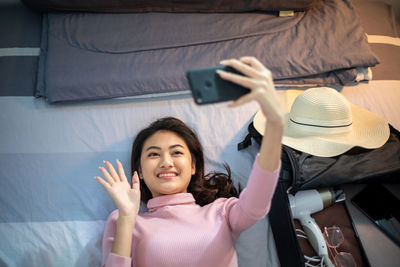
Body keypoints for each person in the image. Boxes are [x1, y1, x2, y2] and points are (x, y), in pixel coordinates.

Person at [95, 56, 284, 267]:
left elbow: (257, 204)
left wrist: (275, 125)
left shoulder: (221, 211)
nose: (166, 162)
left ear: (193, 166)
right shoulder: (123, 220)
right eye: (154, 154)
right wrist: (127, 219)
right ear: (139, 170)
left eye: (176, 153)